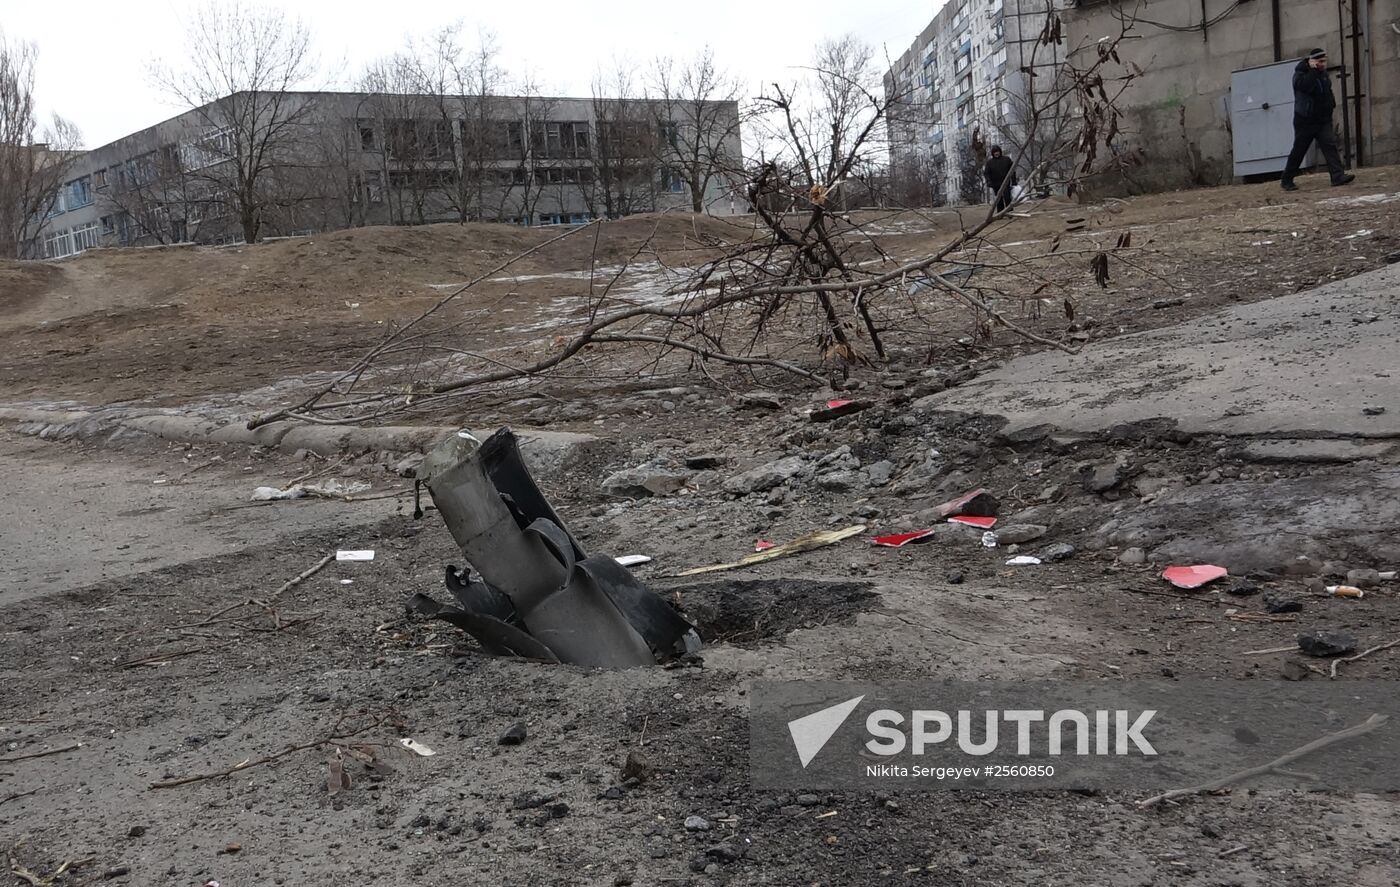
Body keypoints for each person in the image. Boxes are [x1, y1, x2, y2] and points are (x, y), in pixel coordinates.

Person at [1281, 48, 1354, 191]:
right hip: (1305, 121)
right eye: (1320, 61)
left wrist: (1330, 106)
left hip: (1322, 120)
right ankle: (1287, 179)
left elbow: (1327, 91)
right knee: (1299, 151)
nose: (1323, 64)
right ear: (1312, 62)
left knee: (1330, 146)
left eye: (1324, 61)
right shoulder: (1300, 74)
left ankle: (1337, 176)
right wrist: (1313, 71)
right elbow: (1305, 87)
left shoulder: (1324, 75)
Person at [983, 145, 1016, 212]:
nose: (996, 153)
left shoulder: (1006, 159)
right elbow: (986, 173)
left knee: (1007, 197)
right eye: (995, 152)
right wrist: (988, 181)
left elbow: (1012, 170)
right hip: (995, 184)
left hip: (1005, 182)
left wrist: (1013, 181)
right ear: (993, 153)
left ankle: (1010, 211)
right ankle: (1000, 212)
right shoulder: (990, 163)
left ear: (1000, 151)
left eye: (997, 151)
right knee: (999, 199)